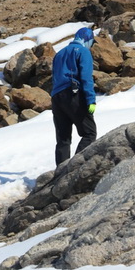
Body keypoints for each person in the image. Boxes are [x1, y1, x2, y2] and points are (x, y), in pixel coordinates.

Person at [50, 27, 97, 166]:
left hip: (56, 98)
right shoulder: (83, 51)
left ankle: (60, 172)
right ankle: (75, 167)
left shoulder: (59, 54)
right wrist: (91, 100)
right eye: (92, 42)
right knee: (89, 133)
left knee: (63, 139)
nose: (91, 46)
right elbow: (86, 77)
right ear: (87, 39)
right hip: (72, 94)